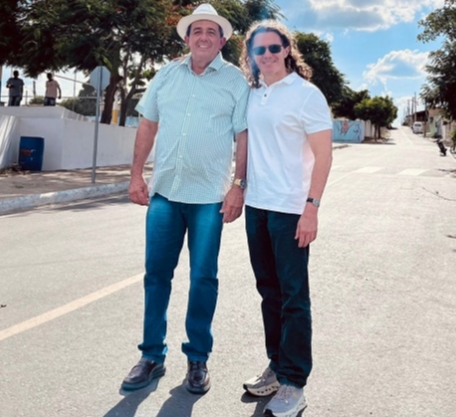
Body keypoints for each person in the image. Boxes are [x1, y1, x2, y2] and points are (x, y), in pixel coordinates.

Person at [122, 3, 249, 395]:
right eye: (197, 31)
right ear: (187, 38)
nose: (204, 37)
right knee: (156, 276)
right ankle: (151, 356)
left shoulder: (235, 81)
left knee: (203, 278)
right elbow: (148, 124)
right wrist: (136, 174)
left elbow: (243, 136)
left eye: (211, 31)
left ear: (222, 41)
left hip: (209, 197)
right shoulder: (166, 75)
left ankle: (197, 358)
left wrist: (238, 185)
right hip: (165, 193)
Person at [239, 20, 333, 417]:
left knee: (294, 297)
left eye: (273, 48)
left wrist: (311, 207)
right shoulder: (253, 93)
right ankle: (277, 366)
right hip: (257, 206)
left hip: (291, 209)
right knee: (269, 292)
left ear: (287, 50)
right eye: (259, 50)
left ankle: (295, 383)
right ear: (251, 56)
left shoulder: (306, 95)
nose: (267, 55)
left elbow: (324, 155)